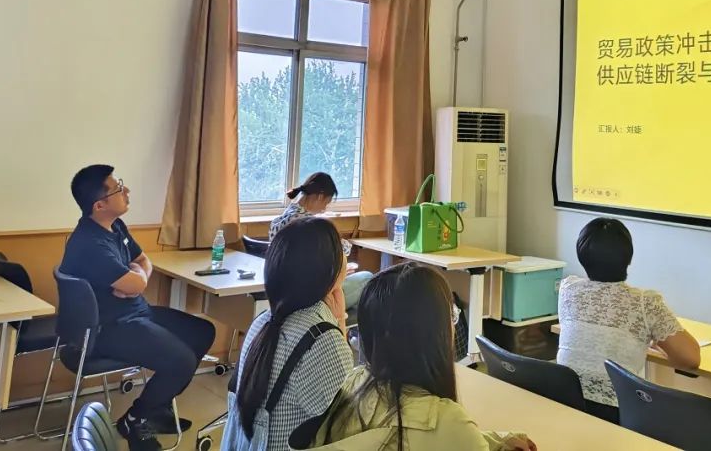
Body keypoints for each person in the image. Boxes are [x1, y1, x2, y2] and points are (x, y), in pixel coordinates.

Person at [60, 165, 216, 451]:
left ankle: (157, 408)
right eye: (119, 189)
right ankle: (135, 418)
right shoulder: (90, 244)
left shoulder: (115, 226)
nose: (127, 191)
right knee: (180, 361)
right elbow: (137, 282)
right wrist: (136, 281)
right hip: (108, 328)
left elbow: (143, 262)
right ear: (99, 205)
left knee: (202, 331)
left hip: (136, 313)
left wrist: (136, 277)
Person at [313, 263, 536, 451]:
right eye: (451, 315)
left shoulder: (353, 382)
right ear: (435, 333)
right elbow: (444, 436)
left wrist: (497, 441)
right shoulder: (447, 422)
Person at [224, 217, 354, 451]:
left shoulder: (263, 321)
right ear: (327, 269)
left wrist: (337, 317)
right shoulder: (322, 340)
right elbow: (346, 423)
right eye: (341, 249)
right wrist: (339, 321)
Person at [556, 217, 700, 423]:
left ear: (582, 257)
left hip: (566, 406)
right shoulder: (645, 303)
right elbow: (690, 359)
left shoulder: (568, 289)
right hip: (618, 414)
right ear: (628, 258)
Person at [270, 172, 372, 312]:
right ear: (319, 196)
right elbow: (340, 250)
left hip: (285, 293)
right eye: (326, 203)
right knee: (367, 278)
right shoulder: (309, 225)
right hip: (312, 297)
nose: (324, 209)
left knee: (357, 305)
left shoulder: (281, 220)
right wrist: (338, 272)